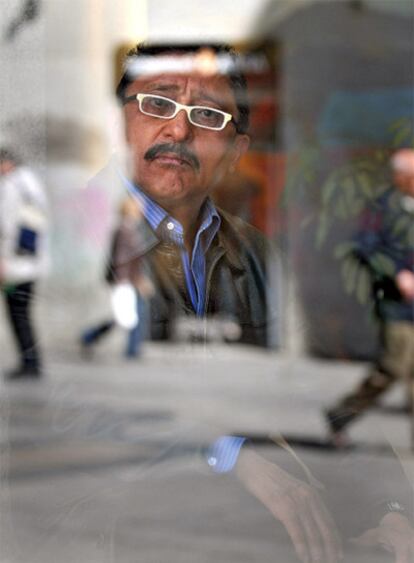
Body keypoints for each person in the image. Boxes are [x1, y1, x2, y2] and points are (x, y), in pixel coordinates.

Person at [110, 43, 413, 563]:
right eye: (157, 103)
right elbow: (65, 403)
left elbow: (316, 392)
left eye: (206, 115)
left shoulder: (257, 254)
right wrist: (229, 454)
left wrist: (391, 506)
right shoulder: (73, 233)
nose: (178, 132)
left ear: (236, 150)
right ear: (118, 120)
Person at [325, 148, 414, 445]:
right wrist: (396, 273)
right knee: (394, 367)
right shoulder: (382, 207)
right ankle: (342, 413)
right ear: (400, 176)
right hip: (395, 303)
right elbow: (365, 247)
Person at [80, 196, 151, 358]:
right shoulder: (124, 229)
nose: (143, 210)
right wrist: (129, 280)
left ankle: (132, 350)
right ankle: (90, 336)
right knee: (125, 317)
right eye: (139, 207)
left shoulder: (132, 228)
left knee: (131, 315)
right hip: (126, 281)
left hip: (130, 280)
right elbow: (121, 258)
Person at [0, 148, 48, 379]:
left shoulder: (13, 185)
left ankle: (30, 362)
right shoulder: (31, 183)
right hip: (29, 263)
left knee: (18, 314)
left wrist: (3, 260)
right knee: (22, 313)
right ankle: (31, 360)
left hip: (17, 264)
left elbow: (8, 227)